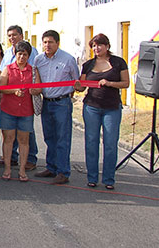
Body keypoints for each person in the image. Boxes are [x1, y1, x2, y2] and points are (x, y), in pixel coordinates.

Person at [74, 34, 129, 190]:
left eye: (99, 45)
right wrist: (77, 85)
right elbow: (82, 86)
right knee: (91, 142)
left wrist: (109, 83)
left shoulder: (118, 62)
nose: (96, 48)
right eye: (94, 46)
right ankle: (92, 177)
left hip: (111, 108)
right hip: (91, 107)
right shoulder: (88, 64)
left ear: (107, 46)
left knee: (110, 143)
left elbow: (126, 84)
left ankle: (109, 179)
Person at [34, 30, 79, 184]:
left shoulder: (68, 59)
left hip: (62, 103)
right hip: (47, 102)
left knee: (62, 139)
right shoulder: (39, 60)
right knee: (49, 137)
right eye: (45, 42)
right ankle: (51, 167)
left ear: (58, 43)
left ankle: (63, 172)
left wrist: (69, 94)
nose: (47, 45)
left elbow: (76, 82)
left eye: (51, 42)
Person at [0, 41, 42, 182]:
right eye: (19, 54)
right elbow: (1, 87)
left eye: (25, 54)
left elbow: (39, 87)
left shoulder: (33, 71)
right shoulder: (8, 69)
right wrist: (13, 91)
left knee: (24, 141)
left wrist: (35, 90)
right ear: (15, 54)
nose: (22, 57)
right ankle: (7, 168)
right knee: (8, 139)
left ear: (29, 56)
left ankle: (22, 170)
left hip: (26, 111)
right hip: (8, 109)